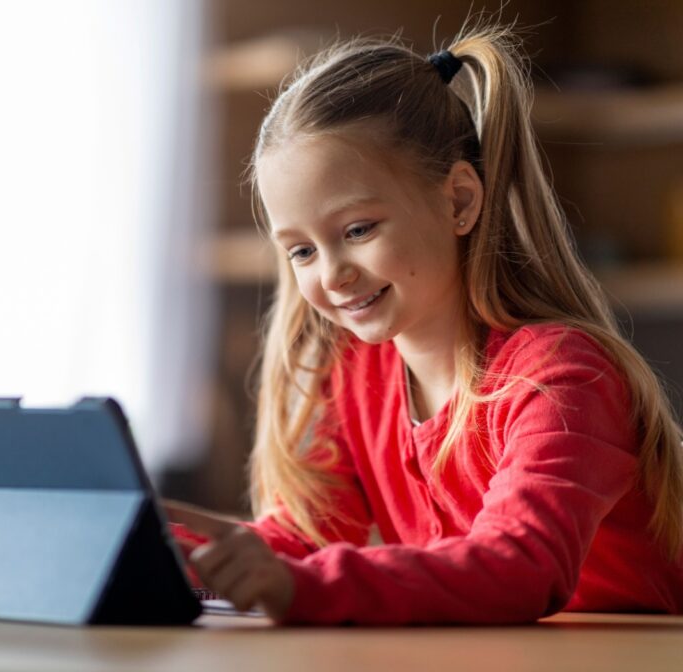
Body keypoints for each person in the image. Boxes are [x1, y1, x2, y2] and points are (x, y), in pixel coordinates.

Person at [164, 21, 683, 625]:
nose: (331, 275)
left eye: (358, 230)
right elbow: (302, 538)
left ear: (460, 201)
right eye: (301, 250)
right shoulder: (357, 375)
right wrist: (169, 552)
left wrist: (296, 584)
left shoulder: (562, 378)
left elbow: (517, 567)